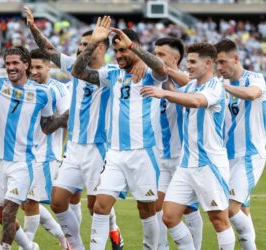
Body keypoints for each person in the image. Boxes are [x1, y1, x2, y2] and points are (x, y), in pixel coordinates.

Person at [25, 7, 128, 250]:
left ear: (101, 47)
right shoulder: (76, 68)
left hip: (97, 148)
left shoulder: (110, 73)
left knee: (96, 208)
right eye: (82, 44)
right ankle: (77, 246)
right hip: (73, 148)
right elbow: (50, 51)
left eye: (88, 44)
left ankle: (113, 230)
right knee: (58, 201)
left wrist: (97, 40)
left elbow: (83, 69)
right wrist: (33, 28)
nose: (82, 48)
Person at [72, 17, 167, 250]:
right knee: (100, 206)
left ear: (134, 46)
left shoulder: (150, 74)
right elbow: (77, 71)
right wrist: (94, 42)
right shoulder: (111, 74)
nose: (119, 54)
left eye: (123, 49)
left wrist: (136, 50)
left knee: (147, 209)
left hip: (143, 153)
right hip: (114, 154)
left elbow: (162, 68)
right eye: (116, 50)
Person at [0, 45, 69, 250]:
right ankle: (30, 247)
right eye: (8, 63)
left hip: (23, 162)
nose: (10, 67)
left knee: (10, 212)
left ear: (26, 65)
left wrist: (65, 118)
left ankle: (5, 248)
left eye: (15, 63)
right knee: (0, 215)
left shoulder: (43, 94)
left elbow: (46, 127)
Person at [141, 42, 236, 250]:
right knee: (169, 216)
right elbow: (178, 87)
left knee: (219, 219)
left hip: (209, 164)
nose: (189, 66)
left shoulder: (215, 87)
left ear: (208, 63)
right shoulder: (191, 85)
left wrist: (165, 93)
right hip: (187, 164)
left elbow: (195, 101)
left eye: (193, 62)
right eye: (188, 61)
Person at [152, 37, 203, 250]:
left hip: (184, 156)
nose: (156, 59)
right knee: (158, 206)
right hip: (162, 156)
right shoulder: (152, 80)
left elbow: (191, 87)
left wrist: (167, 72)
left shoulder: (190, 82)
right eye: (154, 54)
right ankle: (161, 247)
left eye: (161, 55)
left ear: (176, 57)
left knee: (189, 209)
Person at [215, 38, 266, 250]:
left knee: (228, 209)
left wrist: (224, 87)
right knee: (242, 211)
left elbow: (252, 94)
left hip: (249, 155)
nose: (219, 68)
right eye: (216, 63)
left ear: (236, 59)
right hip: (225, 158)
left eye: (223, 62)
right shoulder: (218, 84)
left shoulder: (255, 78)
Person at [23, 48, 71, 249]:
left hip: (46, 155)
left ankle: (27, 245)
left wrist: (60, 152)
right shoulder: (27, 87)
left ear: (49, 66)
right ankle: (63, 237)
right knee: (23, 201)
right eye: (31, 67)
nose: (33, 71)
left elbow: (68, 118)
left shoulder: (58, 89)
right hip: (25, 152)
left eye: (38, 67)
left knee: (32, 202)